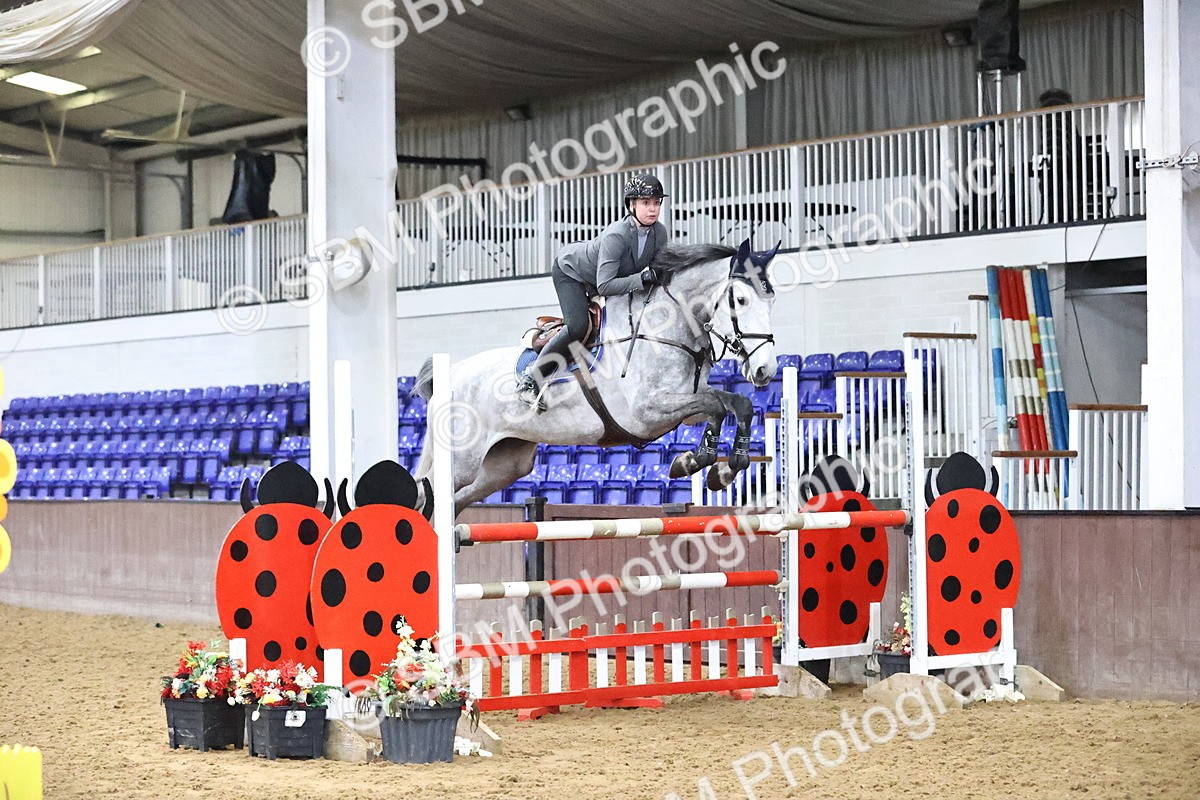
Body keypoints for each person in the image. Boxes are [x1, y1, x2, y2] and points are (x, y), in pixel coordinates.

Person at [516, 173, 670, 411]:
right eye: (645, 202)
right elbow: (605, 286)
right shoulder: (617, 235)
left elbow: (659, 271)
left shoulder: (659, 233)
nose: (653, 209)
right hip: (571, 272)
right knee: (578, 326)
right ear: (631, 205)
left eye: (657, 202)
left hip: (601, 277)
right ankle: (530, 380)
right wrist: (641, 279)